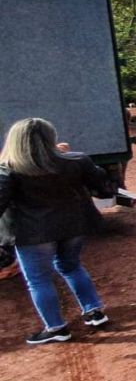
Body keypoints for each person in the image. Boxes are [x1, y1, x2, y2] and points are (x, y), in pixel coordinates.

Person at [0, 118, 115, 344]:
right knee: (71, 266)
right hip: (73, 226)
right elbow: (103, 188)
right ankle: (94, 312)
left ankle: (56, 327)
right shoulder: (76, 160)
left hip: (32, 233)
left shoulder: (8, 169)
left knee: (39, 280)